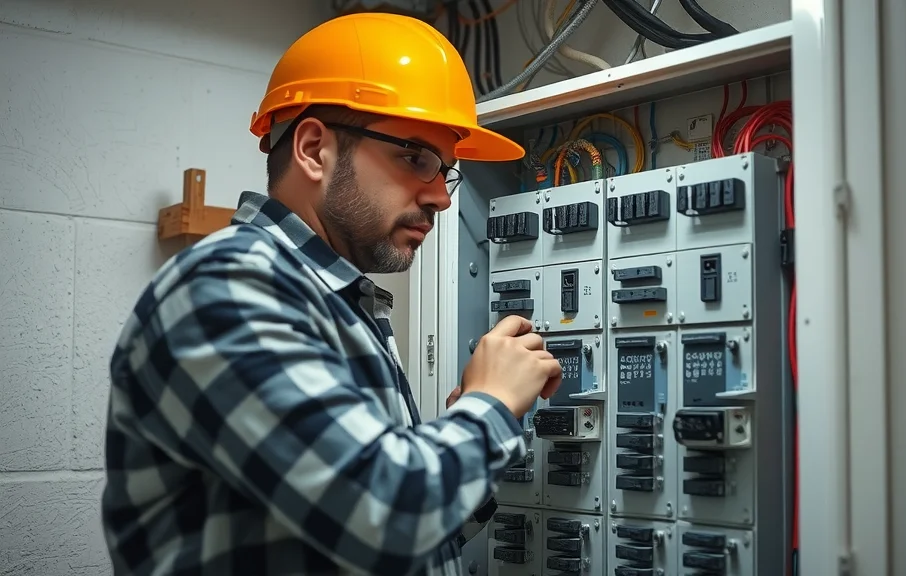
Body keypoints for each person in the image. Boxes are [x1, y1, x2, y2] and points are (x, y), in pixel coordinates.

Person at [100, 12, 563, 576]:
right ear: (314, 148)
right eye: (416, 158)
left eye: (446, 170)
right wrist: (488, 407)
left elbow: (371, 543)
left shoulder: (336, 300)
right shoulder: (229, 287)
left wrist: (463, 429)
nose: (442, 197)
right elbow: (384, 516)